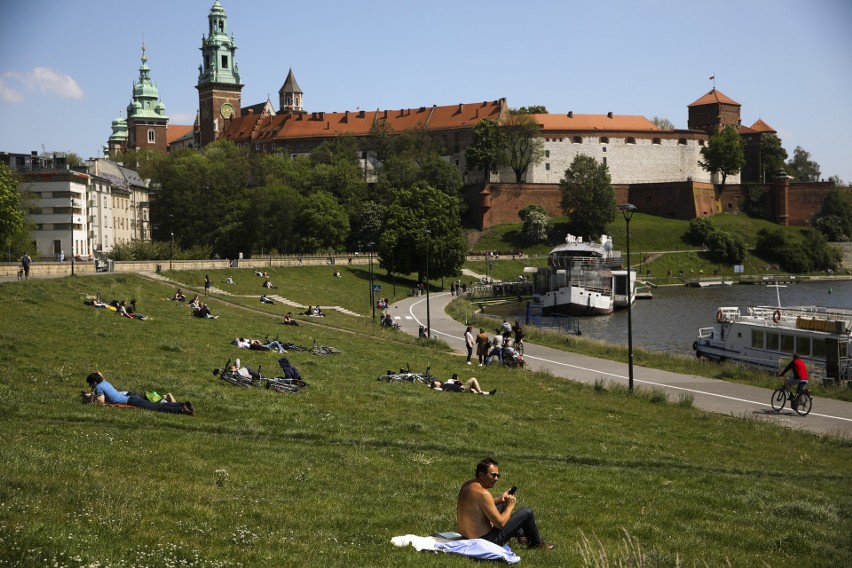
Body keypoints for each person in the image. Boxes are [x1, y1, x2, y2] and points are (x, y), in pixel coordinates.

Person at [457, 457, 552, 549]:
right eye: (493, 475)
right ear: (481, 475)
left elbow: (480, 505)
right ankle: (536, 544)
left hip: (466, 537)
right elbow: (500, 524)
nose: (496, 479)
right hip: (486, 541)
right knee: (527, 512)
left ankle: (522, 536)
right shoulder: (483, 493)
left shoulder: (468, 485)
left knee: (502, 504)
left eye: (498, 475)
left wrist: (501, 499)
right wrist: (510, 506)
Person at [85, 372, 194, 415]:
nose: (91, 386)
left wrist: (89, 400)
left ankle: (181, 409)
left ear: (94, 382)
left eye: (90, 384)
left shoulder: (98, 387)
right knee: (157, 405)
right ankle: (181, 405)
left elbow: (101, 403)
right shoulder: (104, 382)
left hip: (130, 400)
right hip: (130, 397)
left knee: (157, 408)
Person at [430, 373, 495, 395]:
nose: (438, 381)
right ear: (437, 385)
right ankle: (481, 393)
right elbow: (435, 388)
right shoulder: (443, 388)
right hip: (462, 388)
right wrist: (432, 387)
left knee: (474, 391)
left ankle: (489, 393)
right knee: (473, 379)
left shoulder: (445, 384)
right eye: (437, 382)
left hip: (462, 388)